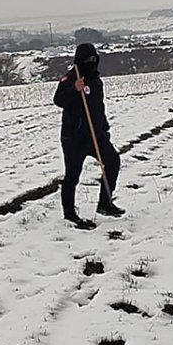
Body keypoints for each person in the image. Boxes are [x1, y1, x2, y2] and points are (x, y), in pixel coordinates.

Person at [54, 43, 124, 229]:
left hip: (96, 135)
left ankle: (105, 203)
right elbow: (58, 100)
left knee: (113, 161)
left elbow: (98, 108)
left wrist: (104, 128)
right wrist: (74, 90)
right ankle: (69, 213)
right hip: (74, 138)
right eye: (88, 60)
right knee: (72, 175)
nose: (91, 63)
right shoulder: (70, 78)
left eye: (94, 59)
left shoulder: (95, 80)